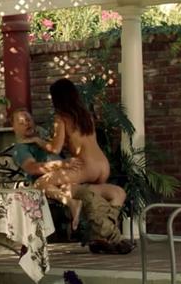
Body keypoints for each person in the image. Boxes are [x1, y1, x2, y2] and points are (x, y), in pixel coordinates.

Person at [9, 108, 132, 254]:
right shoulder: (21, 148)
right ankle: (114, 239)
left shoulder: (44, 139)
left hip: (75, 180)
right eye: (21, 122)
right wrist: (63, 164)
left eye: (28, 119)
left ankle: (100, 238)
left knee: (118, 193)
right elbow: (33, 168)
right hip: (55, 186)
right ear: (14, 127)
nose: (27, 123)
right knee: (90, 197)